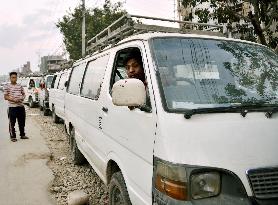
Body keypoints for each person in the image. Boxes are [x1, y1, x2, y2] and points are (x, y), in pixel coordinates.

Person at [4, 72, 28, 142]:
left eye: (15, 77)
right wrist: (13, 100)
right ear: (10, 78)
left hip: (20, 106)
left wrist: (22, 98)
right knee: (12, 122)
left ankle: (22, 135)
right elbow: (5, 97)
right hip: (12, 107)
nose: (14, 79)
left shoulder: (19, 86)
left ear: (17, 78)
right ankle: (13, 136)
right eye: (13, 77)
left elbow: (23, 94)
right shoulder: (7, 86)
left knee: (22, 121)